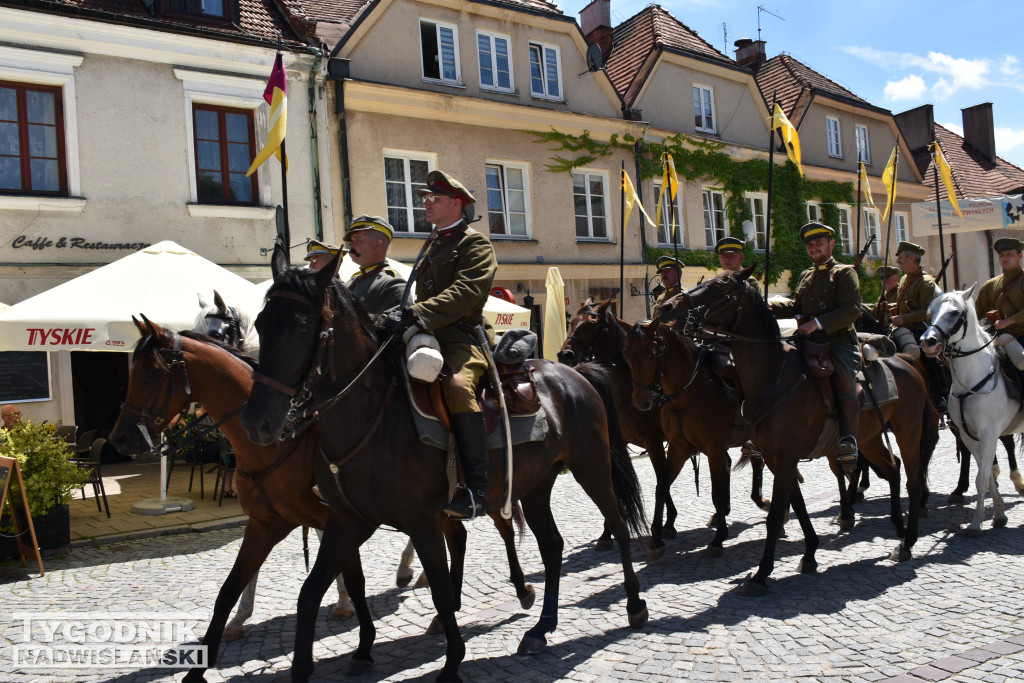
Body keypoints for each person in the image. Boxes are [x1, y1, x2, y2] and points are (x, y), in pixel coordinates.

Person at [386, 170, 497, 520]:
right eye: (425, 199)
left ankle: (476, 488)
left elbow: (467, 294)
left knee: (457, 386)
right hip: (428, 334)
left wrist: (417, 314)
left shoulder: (474, 244)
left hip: (461, 338)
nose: (426, 204)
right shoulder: (434, 243)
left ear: (457, 203)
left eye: (434, 198)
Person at [770, 222, 863, 471]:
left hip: (838, 342)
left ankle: (848, 438)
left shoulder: (844, 273)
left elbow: (851, 310)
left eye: (819, 243)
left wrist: (817, 324)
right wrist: (770, 306)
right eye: (810, 244)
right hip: (809, 343)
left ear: (831, 244)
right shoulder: (806, 276)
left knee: (844, 376)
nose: (814, 248)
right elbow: (796, 306)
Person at [890, 241, 946, 410]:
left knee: (930, 358)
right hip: (902, 328)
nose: (898, 261)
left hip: (921, 329)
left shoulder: (926, 283)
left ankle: (941, 395)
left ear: (912, 258)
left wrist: (903, 318)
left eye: (901, 258)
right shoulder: (905, 279)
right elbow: (903, 304)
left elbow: (927, 312)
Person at [975, 237, 1024, 382]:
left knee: (1021, 365)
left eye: (1010, 254)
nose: (1005, 258)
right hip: (998, 337)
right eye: (1002, 255)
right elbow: (978, 310)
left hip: (1021, 335)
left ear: (1020, 256)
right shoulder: (991, 285)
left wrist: (1008, 321)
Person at [343, 215, 406, 315]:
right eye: (351, 241)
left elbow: (391, 327)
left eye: (357, 240)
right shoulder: (351, 282)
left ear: (377, 244)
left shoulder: (391, 283)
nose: (351, 245)